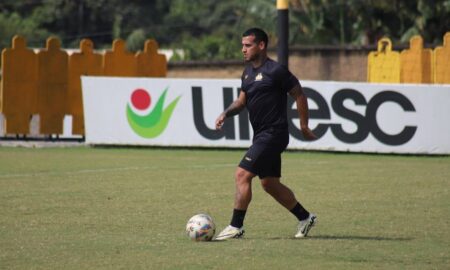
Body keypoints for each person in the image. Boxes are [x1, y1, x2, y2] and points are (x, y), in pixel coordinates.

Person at [214, 28, 317, 240]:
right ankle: (305, 217)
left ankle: (236, 226)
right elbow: (241, 102)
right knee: (269, 184)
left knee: (242, 174)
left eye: (248, 45)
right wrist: (226, 113)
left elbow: (299, 94)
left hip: (274, 134)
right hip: (261, 135)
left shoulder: (276, 70)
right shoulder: (247, 72)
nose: (243, 49)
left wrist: (304, 126)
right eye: (242, 45)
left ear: (261, 45)